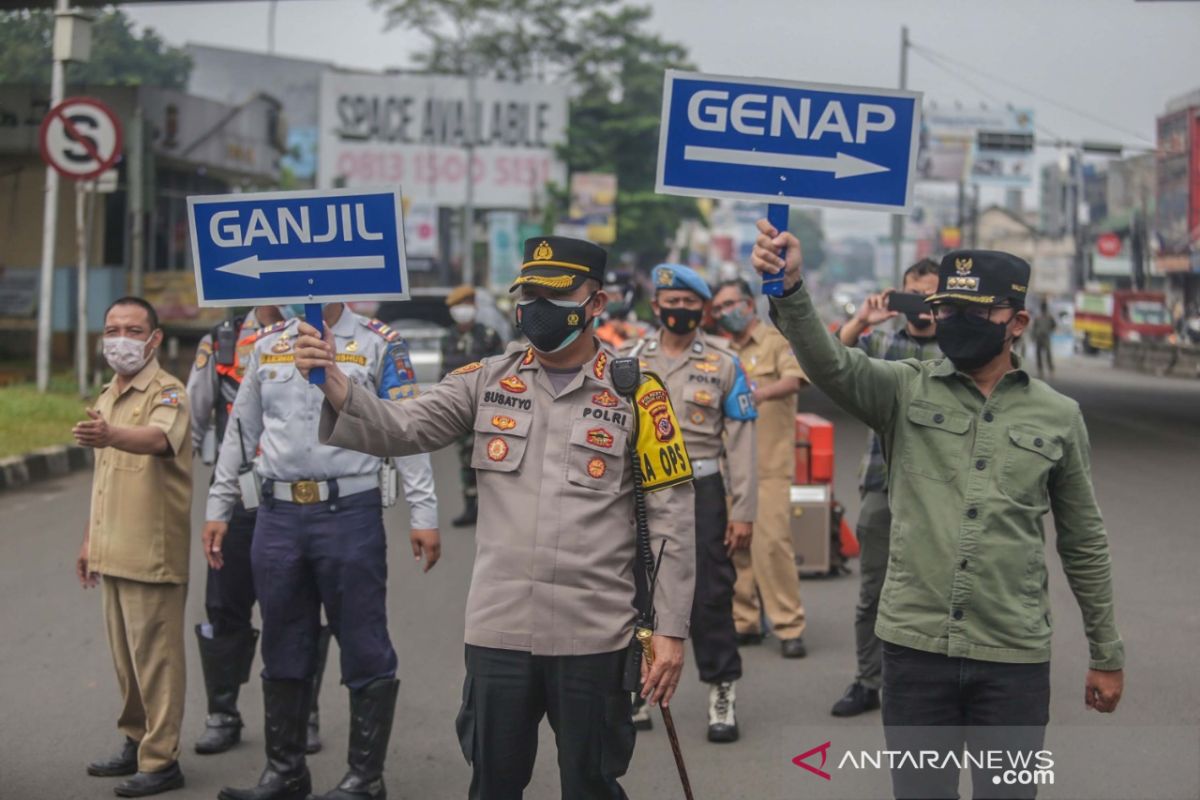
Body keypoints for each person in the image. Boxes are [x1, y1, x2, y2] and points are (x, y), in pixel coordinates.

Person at [294, 236, 697, 799]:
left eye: (555, 295)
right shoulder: (486, 380)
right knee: (493, 783)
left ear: (597, 304)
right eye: (529, 293)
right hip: (499, 631)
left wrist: (672, 631)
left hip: (595, 634)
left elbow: (673, 520)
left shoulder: (639, 395)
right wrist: (332, 378)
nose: (537, 307)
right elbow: (402, 426)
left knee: (592, 785)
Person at [752, 227, 1125, 799]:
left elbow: (1083, 540)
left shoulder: (1059, 417)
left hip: (1013, 659)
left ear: (1017, 323)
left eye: (974, 310)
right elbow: (830, 366)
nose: (953, 320)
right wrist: (791, 287)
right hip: (914, 651)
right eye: (945, 307)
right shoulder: (904, 389)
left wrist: (1106, 653)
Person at [202, 303, 441, 800]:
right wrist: (219, 505)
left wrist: (424, 513)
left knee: (363, 641)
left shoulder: (379, 341)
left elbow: (405, 426)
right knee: (282, 641)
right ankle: (284, 773)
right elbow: (240, 432)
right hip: (277, 515)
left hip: (349, 513)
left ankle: (364, 778)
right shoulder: (268, 344)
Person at [626, 264, 756, 743]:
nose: (679, 311)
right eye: (670, 303)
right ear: (656, 306)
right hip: (637, 492)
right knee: (636, 591)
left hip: (701, 492)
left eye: (689, 304)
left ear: (703, 309)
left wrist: (743, 510)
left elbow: (742, 441)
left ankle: (721, 688)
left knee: (709, 594)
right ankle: (640, 687)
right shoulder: (628, 359)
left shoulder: (725, 363)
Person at [74, 297, 192, 797]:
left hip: (152, 551)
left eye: (132, 329)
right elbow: (105, 477)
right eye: (112, 328)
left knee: (157, 661)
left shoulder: (168, 392)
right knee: (125, 659)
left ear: (154, 338)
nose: (120, 338)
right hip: (112, 547)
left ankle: (162, 760)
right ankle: (136, 739)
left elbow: (157, 441)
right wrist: (88, 541)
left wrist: (111, 434)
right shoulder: (107, 394)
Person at [829, 259, 943, 718]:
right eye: (915, 296)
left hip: (940, 489)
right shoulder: (881, 341)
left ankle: (934, 683)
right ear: (900, 295)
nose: (924, 308)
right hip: (881, 481)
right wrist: (861, 320)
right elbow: (833, 360)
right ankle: (867, 681)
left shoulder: (959, 349)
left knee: (936, 589)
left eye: (933, 299)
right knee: (873, 590)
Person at [709, 278, 811, 661]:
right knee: (734, 546)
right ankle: (745, 621)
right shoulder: (717, 350)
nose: (724, 313)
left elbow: (794, 379)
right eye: (717, 309)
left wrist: (756, 394)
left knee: (771, 546)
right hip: (725, 467)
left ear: (749, 304)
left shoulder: (774, 342)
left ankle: (788, 625)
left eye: (730, 304)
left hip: (767, 465)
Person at [441, 285, 504, 527]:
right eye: (458, 307)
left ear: (475, 307)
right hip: (459, 410)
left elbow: (500, 374)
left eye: (466, 305)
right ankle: (470, 508)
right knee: (465, 461)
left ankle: (492, 509)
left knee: (491, 459)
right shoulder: (448, 337)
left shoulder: (488, 336)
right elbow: (444, 373)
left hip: (485, 409)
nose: (462, 311)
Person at [595, 270, 649, 348]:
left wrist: (626, 332)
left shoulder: (643, 326)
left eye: (615, 294)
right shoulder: (596, 323)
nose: (611, 299)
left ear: (628, 296)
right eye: (608, 294)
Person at [1032, 299, 1057, 378]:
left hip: (1046, 337)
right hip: (1039, 338)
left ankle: (1051, 370)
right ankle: (1040, 371)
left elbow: (1054, 325)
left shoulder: (1049, 317)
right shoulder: (1038, 318)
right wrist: (1034, 336)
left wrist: (1049, 331)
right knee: (1039, 354)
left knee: (1048, 354)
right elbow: (1034, 327)